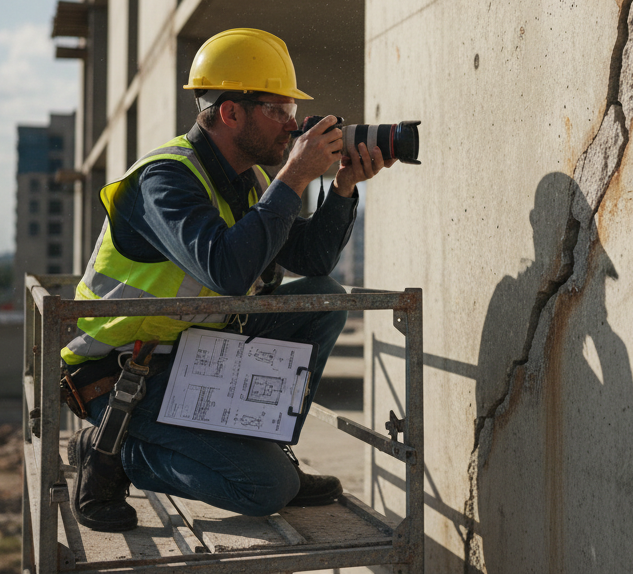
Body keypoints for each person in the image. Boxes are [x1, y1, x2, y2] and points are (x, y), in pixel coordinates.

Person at [63, 28, 394, 532]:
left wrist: (344, 186)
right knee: (265, 490)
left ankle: (268, 448)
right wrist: (294, 176)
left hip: (199, 358)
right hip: (127, 375)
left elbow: (313, 256)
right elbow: (226, 270)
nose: (291, 124)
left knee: (322, 298)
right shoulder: (165, 179)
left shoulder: (250, 179)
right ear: (230, 112)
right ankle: (110, 448)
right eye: (277, 109)